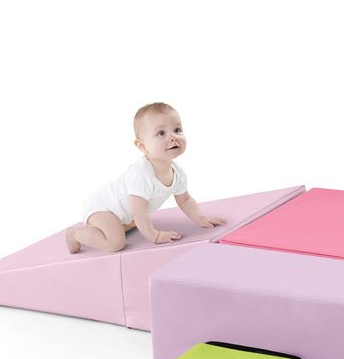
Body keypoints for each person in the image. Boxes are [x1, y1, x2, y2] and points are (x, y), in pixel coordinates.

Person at [65, 102, 226, 253]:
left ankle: (117, 225)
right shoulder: (141, 174)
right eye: (161, 133)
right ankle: (74, 234)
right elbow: (138, 212)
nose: (173, 137)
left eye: (177, 130)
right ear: (142, 146)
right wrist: (154, 236)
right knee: (116, 242)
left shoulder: (177, 172)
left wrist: (201, 218)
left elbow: (184, 200)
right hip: (102, 208)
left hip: (125, 214)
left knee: (134, 223)